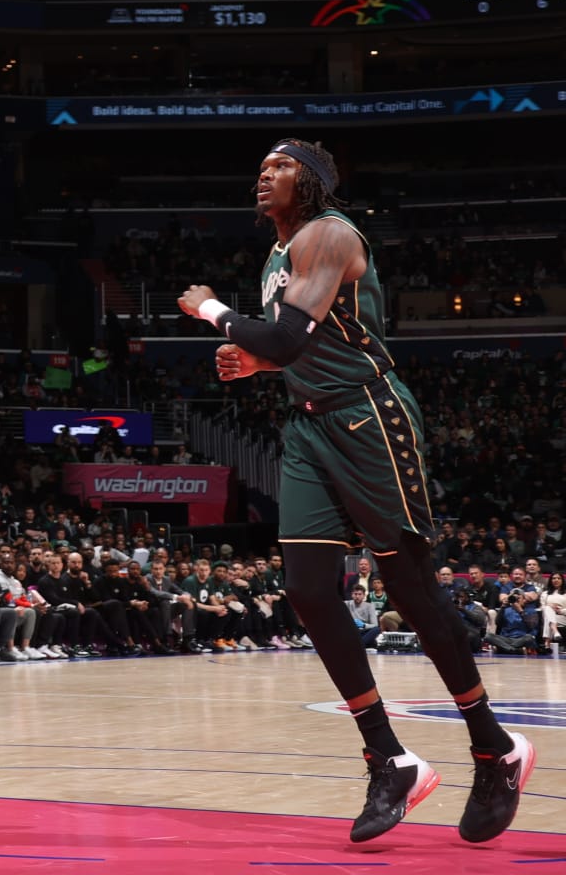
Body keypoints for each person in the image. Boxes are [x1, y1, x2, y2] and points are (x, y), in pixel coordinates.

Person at [181, 137, 533, 844]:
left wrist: (214, 312)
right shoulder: (278, 255)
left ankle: (495, 747)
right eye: (260, 168)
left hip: (368, 416)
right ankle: (389, 757)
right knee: (309, 591)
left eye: (279, 167)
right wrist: (258, 365)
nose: (264, 176)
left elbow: (284, 339)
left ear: (311, 181)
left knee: (411, 590)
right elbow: (293, 346)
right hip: (308, 428)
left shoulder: (330, 234)